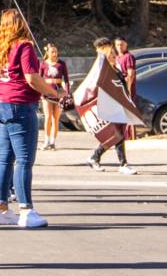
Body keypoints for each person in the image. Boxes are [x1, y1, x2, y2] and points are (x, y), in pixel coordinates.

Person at [0, 8, 61, 228]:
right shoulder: (24, 46)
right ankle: (27, 210)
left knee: (3, 158)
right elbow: (31, 77)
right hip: (18, 104)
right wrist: (55, 94)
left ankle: (0, 209)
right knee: (24, 159)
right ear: (20, 24)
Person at [77, 38, 146, 174]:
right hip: (111, 106)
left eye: (115, 55)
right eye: (112, 55)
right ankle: (122, 164)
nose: (115, 57)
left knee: (117, 134)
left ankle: (95, 157)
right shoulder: (105, 70)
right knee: (117, 134)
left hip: (119, 104)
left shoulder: (115, 68)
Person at [112, 35, 140, 171]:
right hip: (117, 92)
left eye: (122, 44)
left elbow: (130, 74)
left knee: (122, 124)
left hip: (125, 92)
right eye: (117, 45)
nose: (119, 47)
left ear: (126, 44)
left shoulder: (128, 57)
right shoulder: (116, 58)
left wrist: (127, 93)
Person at [42, 43, 70, 152]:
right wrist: (40, 92)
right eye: (52, 52)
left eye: (56, 51)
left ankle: (53, 142)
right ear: (48, 53)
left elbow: (66, 79)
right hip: (47, 93)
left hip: (59, 93)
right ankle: (46, 141)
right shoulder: (43, 64)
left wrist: (67, 93)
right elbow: (39, 78)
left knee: (55, 119)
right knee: (48, 117)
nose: (55, 54)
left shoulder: (61, 64)